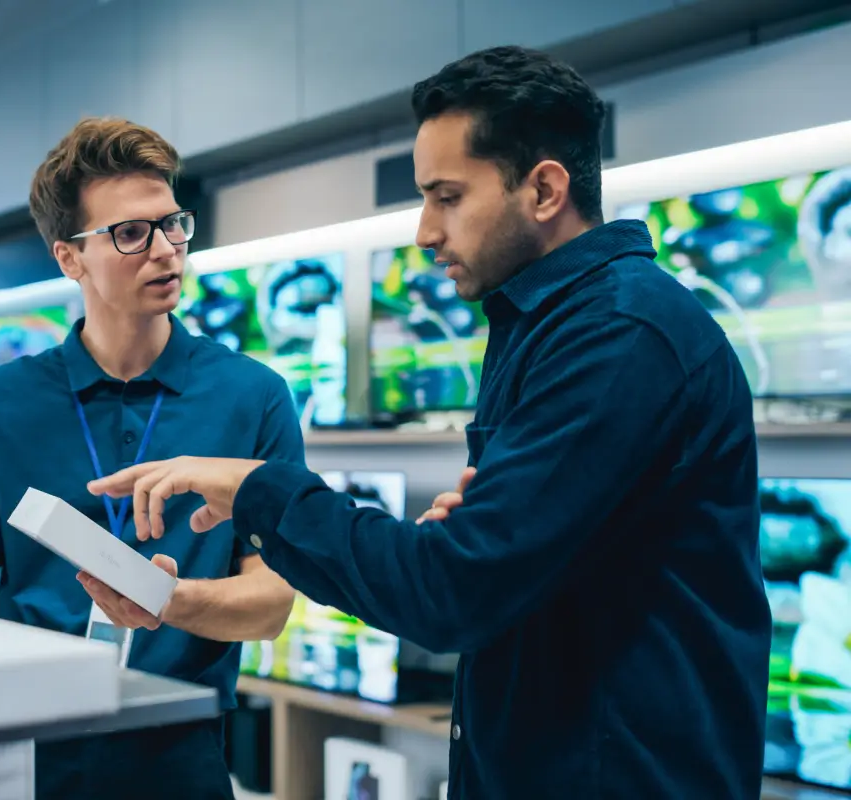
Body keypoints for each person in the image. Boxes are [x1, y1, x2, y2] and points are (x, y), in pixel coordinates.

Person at [88, 47, 772, 800]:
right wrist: (477, 541)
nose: (423, 231)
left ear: (544, 189)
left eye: (446, 196)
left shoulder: (618, 338)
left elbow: (449, 592)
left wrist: (259, 489)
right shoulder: (548, 327)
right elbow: (494, 568)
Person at [0, 116, 304, 800]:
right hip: (30, 748)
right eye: (132, 234)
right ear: (69, 258)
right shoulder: (5, 402)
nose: (167, 251)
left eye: (174, 225)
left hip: (180, 748)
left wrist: (166, 600)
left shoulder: (251, 396)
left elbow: (270, 603)